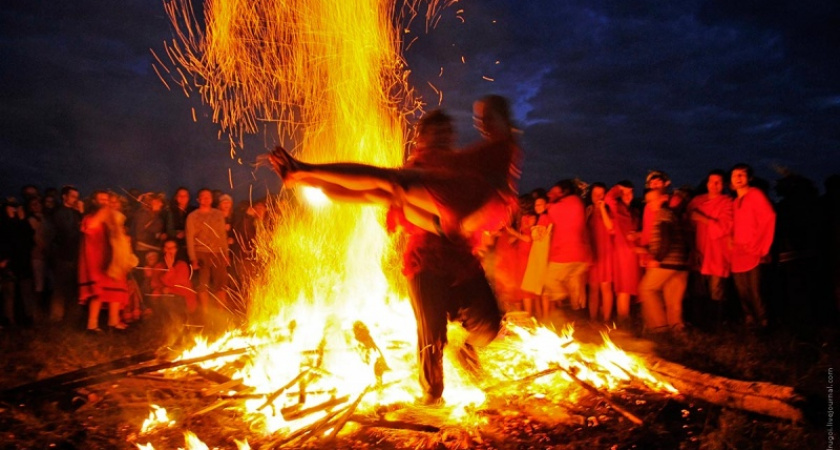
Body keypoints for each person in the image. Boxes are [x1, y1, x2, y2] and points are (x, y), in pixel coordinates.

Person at [271, 102, 516, 405]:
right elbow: (370, 192)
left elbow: (499, 153)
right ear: (421, 138)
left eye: (447, 132)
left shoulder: (459, 166)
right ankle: (432, 397)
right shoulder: (415, 172)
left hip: (462, 259)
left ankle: (463, 347)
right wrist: (317, 182)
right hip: (426, 262)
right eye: (435, 132)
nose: (442, 137)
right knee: (431, 335)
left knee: (488, 326)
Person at [268, 94, 523, 239]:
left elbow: (471, 168)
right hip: (453, 217)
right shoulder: (487, 151)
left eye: (487, 117)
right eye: (479, 119)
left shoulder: (501, 146)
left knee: (388, 182)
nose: (481, 124)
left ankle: (304, 171)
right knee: (379, 192)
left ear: (503, 117)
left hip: (468, 205)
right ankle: (306, 177)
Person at [78, 190, 137, 332]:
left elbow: (119, 239)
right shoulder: (90, 218)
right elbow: (90, 228)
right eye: (101, 199)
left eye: (107, 200)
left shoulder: (113, 220)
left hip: (113, 261)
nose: (105, 202)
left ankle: (114, 323)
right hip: (97, 261)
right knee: (98, 293)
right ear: (94, 201)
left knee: (116, 292)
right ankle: (92, 325)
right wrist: (103, 214)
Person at [729, 163, 775, 328]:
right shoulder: (735, 202)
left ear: (749, 178)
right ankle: (750, 320)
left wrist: (761, 246)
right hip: (738, 251)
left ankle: (763, 322)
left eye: (742, 174)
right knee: (742, 290)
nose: (738, 178)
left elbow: (769, 217)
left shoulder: (755, 194)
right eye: (735, 175)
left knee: (756, 289)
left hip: (753, 249)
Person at [638, 187, 689, 333]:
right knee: (673, 302)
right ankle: (677, 332)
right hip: (680, 264)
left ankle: (659, 327)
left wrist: (657, 259)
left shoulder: (662, 214)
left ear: (663, 198)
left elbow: (666, 239)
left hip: (667, 263)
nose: (650, 204)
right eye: (648, 201)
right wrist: (646, 250)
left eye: (653, 200)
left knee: (646, 289)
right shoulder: (671, 214)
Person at [686, 170, 733, 326]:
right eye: (711, 181)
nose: (714, 185)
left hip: (717, 252)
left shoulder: (727, 202)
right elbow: (688, 227)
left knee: (717, 289)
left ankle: (717, 324)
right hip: (699, 250)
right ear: (707, 183)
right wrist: (693, 249)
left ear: (723, 185)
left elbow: (724, 227)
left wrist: (702, 218)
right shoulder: (697, 201)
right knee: (698, 289)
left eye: (718, 182)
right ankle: (700, 323)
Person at [540, 179, 591, 320]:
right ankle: (576, 319)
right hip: (580, 255)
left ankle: (565, 305)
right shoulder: (577, 202)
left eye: (554, 191)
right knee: (574, 288)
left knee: (549, 281)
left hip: (565, 254)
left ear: (564, 192)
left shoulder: (567, 204)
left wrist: (547, 206)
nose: (550, 193)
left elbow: (551, 211)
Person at [186, 188, 230, 323]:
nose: (206, 199)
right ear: (198, 199)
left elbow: (222, 235)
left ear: (211, 199)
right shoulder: (193, 216)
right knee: (202, 284)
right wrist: (193, 258)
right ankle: (205, 313)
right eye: (203, 197)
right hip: (201, 253)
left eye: (208, 197)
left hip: (217, 252)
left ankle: (221, 311)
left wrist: (225, 253)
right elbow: (189, 237)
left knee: (221, 283)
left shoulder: (218, 215)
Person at [605, 181, 640, 326]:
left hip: (634, 254)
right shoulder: (617, 208)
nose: (627, 195)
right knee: (624, 289)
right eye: (624, 193)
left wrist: (637, 235)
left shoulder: (634, 212)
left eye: (630, 192)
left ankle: (626, 320)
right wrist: (619, 187)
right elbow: (608, 198)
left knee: (630, 289)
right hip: (623, 254)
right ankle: (623, 322)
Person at [586, 182, 615, 322]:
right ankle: (593, 320)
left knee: (606, 286)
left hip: (606, 252)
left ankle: (606, 321)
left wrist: (602, 209)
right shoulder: (588, 210)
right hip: (593, 252)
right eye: (595, 194)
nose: (598, 197)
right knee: (593, 288)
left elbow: (610, 227)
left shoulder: (609, 210)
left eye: (601, 194)